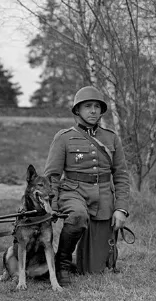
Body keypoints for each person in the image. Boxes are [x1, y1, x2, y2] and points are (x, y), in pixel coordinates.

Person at [43, 86, 131, 283]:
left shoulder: (111, 138)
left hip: (103, 200)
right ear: (77, 110)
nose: (93, 111)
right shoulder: (64, 138)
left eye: (97, 107)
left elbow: (121, 176)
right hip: (73, 193)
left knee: (92, 270)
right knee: (77, 215)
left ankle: (85, 259)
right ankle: (62, 263)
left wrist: (121, 209)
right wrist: (53, 205)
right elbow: (52, 176)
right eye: (88, 106)